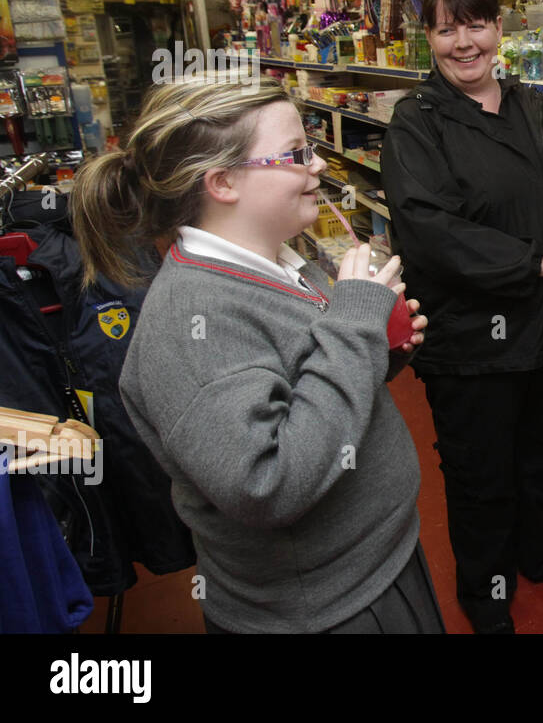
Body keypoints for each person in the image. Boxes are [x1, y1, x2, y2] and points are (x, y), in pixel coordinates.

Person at [71, 75, 443, 634]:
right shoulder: (191, 323)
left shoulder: (275, 261)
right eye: (296, 154)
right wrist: (349, 330)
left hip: (374, 566)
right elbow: (267, 482)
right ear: (223, 182)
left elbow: (302, 384)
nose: (317, 165)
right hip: (326, 610)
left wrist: (375, 346)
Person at [382, 0, 543, 635]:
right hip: (473, 339)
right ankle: (487, 588)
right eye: (447, 28)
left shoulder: (533, 106)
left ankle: (541, 551)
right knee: (482, 472)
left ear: (499, 28)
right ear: (429, 38)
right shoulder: (417, 124)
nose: (464, 42)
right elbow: (431, 233)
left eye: (476, 23)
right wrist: (539, 261)